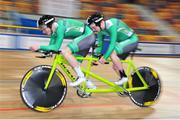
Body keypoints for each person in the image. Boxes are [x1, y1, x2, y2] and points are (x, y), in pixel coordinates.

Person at [30, 15, 96, 88]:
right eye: (41, 29)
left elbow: (55, 48)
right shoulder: (54, 33)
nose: (43, 31)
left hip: (88, 36)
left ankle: (81, 77)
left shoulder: (60, 28)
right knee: (72, 62)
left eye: (43, 28)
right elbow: (51, 47)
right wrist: (42, 51)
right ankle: (89, 84)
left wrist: (39, 46)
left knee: (65, 52)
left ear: (50, 25)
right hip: (84, 39)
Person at [86, 12, 139, 85]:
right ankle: (128, 84)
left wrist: (105, 57)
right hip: (123, 42)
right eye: (92, 28)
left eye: (94, 27)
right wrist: (95, 57)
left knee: (112, 53)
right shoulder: (100, 31)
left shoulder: (112, 25)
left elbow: (112, 44)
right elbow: (100, 45)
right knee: (115, 66)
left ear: (101, 23)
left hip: (132, 40)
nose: (94, 30)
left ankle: (123, 77)